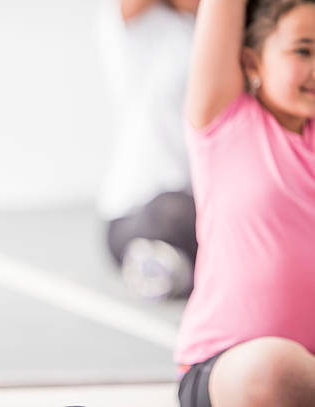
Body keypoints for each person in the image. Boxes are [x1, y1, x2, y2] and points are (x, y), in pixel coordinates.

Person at [175, 1, 315, 406]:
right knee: (273, 369)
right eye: (303, 50)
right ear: (252, 62)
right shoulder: (224, 121)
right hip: (227, 370)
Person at [97, 0, 199, 300]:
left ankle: (175, 264)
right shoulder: (138, 27)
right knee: (177, 212)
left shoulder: (223, 31)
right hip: (138, 208)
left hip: (202, 204)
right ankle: (166, 261)